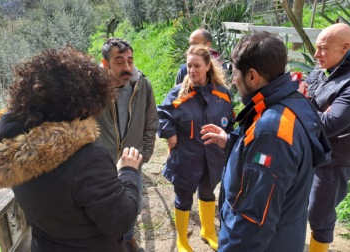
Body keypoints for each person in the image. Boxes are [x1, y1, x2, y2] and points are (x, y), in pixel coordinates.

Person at [0, 46, 142, 251]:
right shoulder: (87, 160)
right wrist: (127, 172)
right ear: (82, 99)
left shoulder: (13, 153)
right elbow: (120, 221)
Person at [200, 31, 331, 251]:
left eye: (235, 72)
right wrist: (234, 143)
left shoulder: (272, 132)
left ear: (252, 76)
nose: (233, 79)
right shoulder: (288, 99)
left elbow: (253, 223)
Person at [304, 23, 350, 252]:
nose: (316, 55)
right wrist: (311, 107)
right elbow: (306, 95)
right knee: (298, 205)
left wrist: (301, 102)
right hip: (308, 151)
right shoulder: (323, 68)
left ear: (345, 47)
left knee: (320, 214)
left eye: (323, 48)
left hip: (333, 161)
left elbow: (327, 125)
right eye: (316, 48)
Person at [158, 45, 235, 251]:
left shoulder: (223, 95)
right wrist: (170, 133)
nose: (192, 70)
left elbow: (231, 124)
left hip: (212, 157)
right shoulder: (179, 93)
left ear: (208, 66)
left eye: (197, 66)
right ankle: (182, 240)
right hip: (185, 157)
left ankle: (207, 231)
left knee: (208, 192)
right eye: (189, 66)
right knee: (183, 198)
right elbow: (161, 114)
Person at [96, 37, 159, 252]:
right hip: (101, 164)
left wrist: (145, 154)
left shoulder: (142, 85)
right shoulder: (92, 89)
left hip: (132, 162)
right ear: (105, 64)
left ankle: (129, 240)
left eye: (130, 61)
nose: (127, 67)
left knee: (132, 206)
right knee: (102, 210)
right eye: (119, 61)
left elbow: (151, 123)